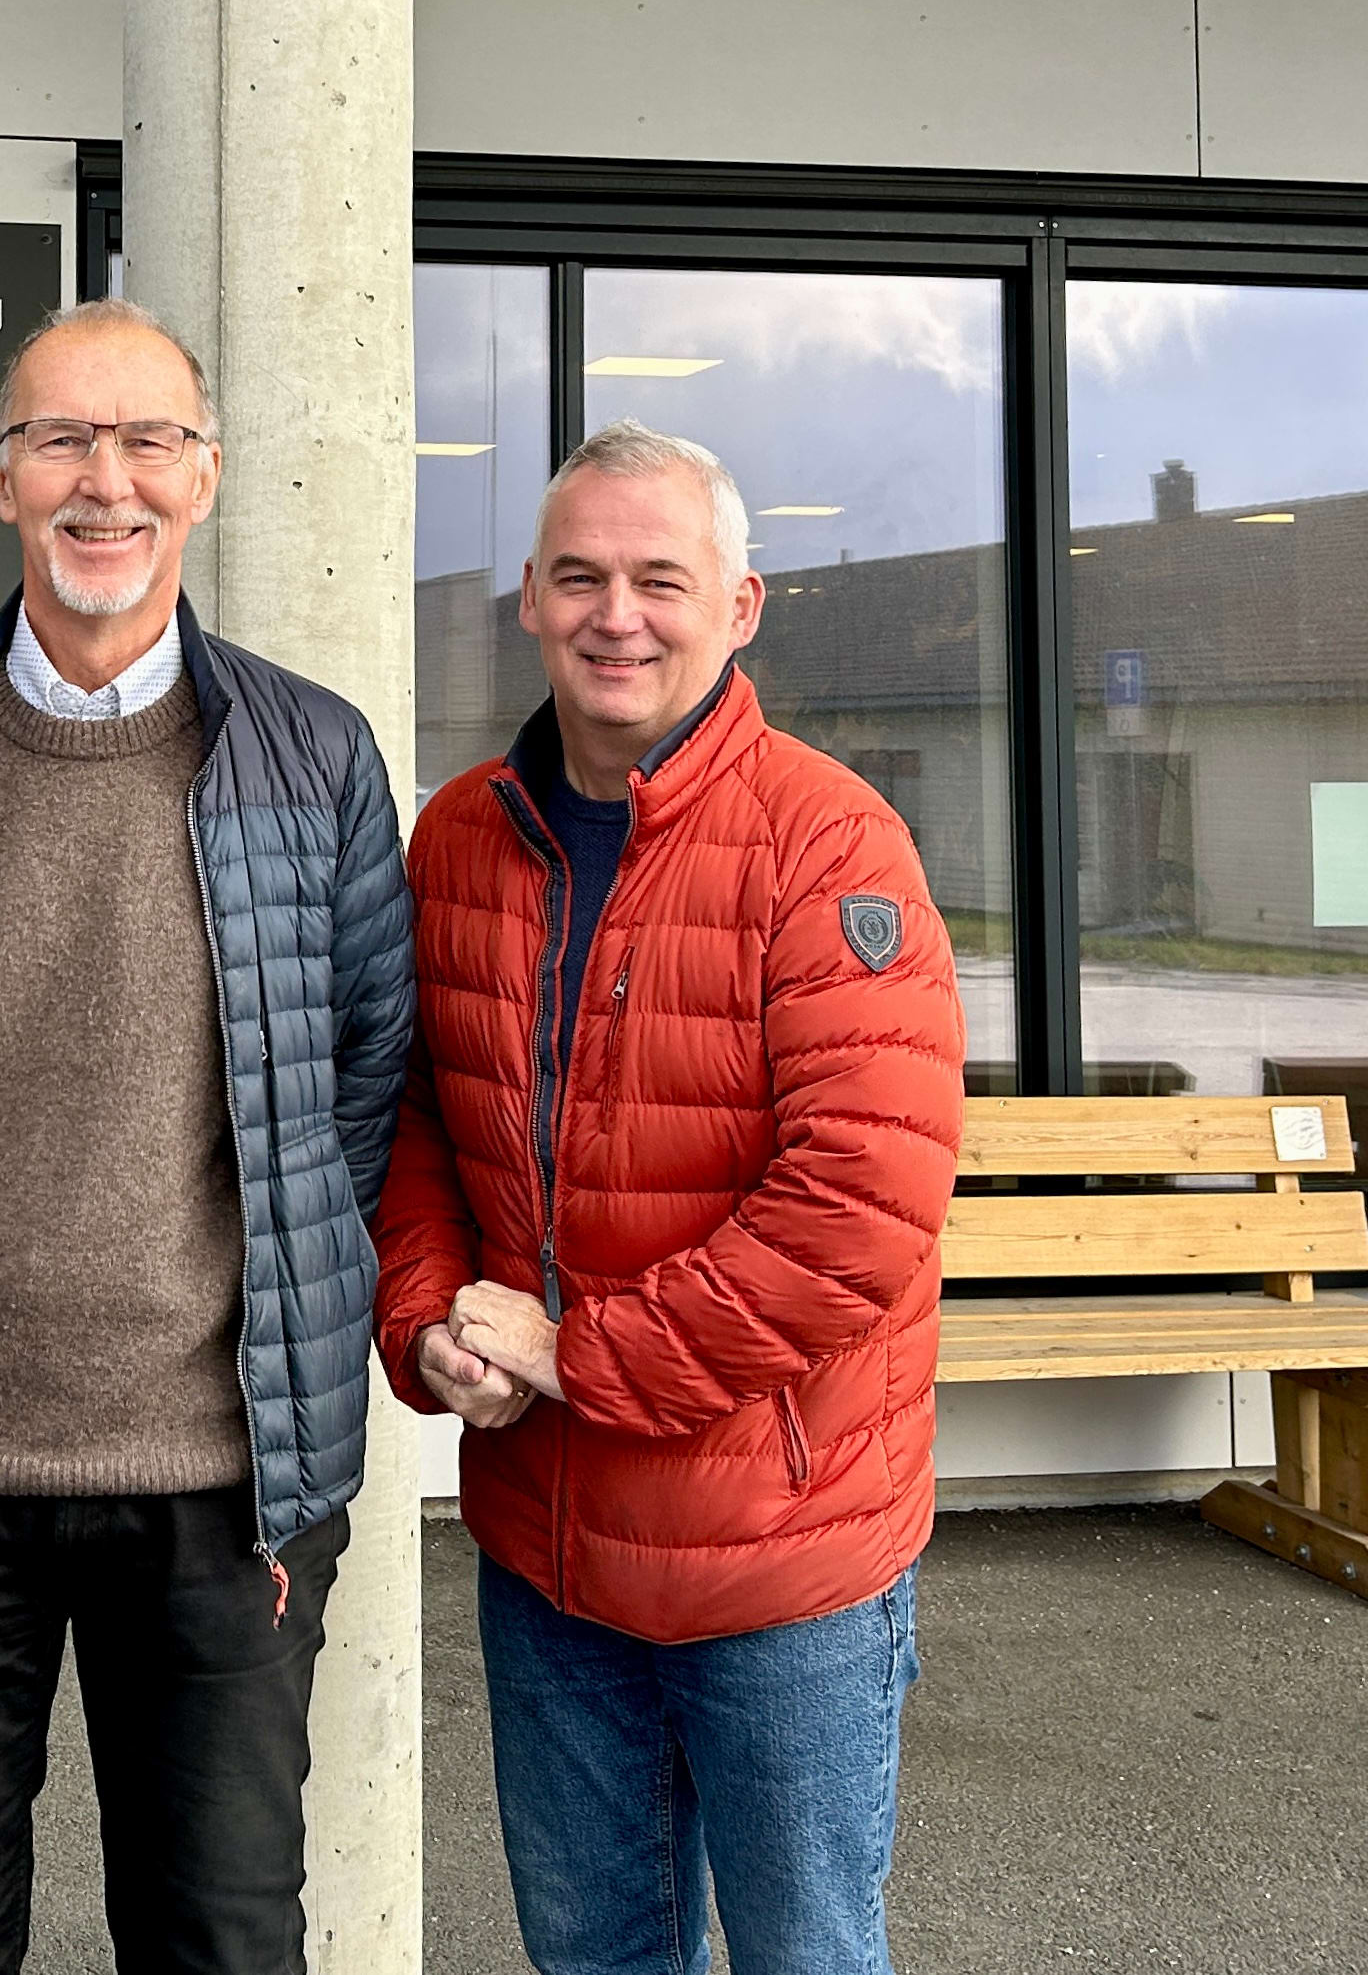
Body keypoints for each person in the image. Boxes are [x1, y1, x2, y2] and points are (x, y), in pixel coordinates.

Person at [0, 295, 414, 1975]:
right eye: (61, 439)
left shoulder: (312, 757)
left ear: (205, 475)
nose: (105, 480)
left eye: (146, 439)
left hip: (218, 1480)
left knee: (219, 1941)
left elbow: (356, 1080)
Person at [373, 420, 964, 1975]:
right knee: (595, 1958)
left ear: (740, 605)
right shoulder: (458, 839)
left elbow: (855, 1212)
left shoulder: (827, 840)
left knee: (804, 1955)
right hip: (550, 1553)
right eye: (578, 576)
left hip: (780, 1553)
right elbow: (417, 1123)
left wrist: (578, 1354)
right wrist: (428, 1319)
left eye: (658, 578)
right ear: (526, 596)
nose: (614, 615)